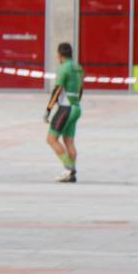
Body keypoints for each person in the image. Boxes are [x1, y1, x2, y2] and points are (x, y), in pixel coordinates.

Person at [44, 42, 83, 183]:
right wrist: (76, 103)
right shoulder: (78, 67)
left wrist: (48, 110)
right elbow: (81, 88)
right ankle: (72, 174)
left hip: (66, 108)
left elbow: (57, 90)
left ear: (59, 55)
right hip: (76, 107)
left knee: (51, 139)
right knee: (69, 141)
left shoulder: (62, 68)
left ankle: (68, 169)